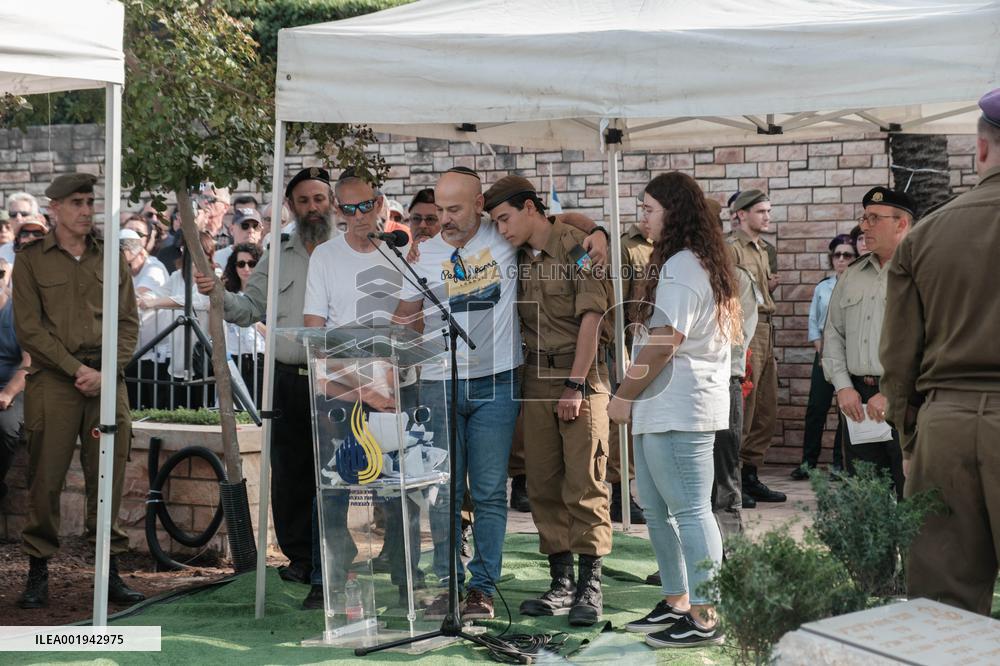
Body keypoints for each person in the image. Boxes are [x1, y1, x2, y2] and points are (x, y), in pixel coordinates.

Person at [393, 166, 608, 621]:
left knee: (491, 491)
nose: (444, 219)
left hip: (500, 382)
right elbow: (402, 318)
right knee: (444, 491)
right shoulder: (423, 255)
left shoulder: (502, 233)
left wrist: (602, 232)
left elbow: (562, 222)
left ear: (478, 206)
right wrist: (409, 302)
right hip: (439, 382)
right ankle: (449, 582)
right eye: (438, 210)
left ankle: (482, 589)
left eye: (454, 209)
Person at [881, 88, 1000, 615]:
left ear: (980, 148)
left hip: (945, 423)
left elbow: (898, 356)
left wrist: (910, 440)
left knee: (943, 608)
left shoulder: (924, 236)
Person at [610, 172, 737, 648]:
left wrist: (622, 394)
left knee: (689, 510)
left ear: (674, 213)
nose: (641, 217)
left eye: (648, 209)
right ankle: (677, 600)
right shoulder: (682, 261)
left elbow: (665, 341)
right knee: (658, 511)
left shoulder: (685, 264)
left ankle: (706, 615)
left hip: (681, 406)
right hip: (661, 406)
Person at [194, 166, 339, 584]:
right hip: (286, 379)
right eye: (304, 201)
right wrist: (217, 293)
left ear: (331, 203)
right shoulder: (278, 251)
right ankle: (300, 560)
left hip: (339, 380)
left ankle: (332, 558)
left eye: (320, 199)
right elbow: (250, 308)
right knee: (291, 473)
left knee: (334, 472)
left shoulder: (348, 248)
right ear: (291, 207)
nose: (313, 208)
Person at [484, 175, 613, 626]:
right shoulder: (514, 253)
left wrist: (575, 386)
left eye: (505, 218)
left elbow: (593, 316)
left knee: (585, 480)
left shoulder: (576, 247)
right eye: (495, 222)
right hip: (535, 376)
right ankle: (560, 582)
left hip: (579, 374)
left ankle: (589, 585)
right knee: (541, 481)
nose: (501, 229)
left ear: (531, 208)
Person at [12, 172, 143, 609]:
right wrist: (76, 370)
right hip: (54, 380)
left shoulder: (112, 258)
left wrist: (106, 372)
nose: (87, 210)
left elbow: (128, 323)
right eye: (77, 203)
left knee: (108, 476)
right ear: (55, 210)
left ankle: (110, 572)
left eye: (90, 202)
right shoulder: (32, 260)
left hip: (107, 380)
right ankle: (37, 571)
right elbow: (30, 329)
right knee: (45, 479)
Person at [823, 186, 913, 498]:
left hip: (906, 401)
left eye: (874, 218)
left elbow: (934, 343)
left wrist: (892, 393)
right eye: (864, 218)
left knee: (911, 501)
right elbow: (833, 332)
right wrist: (843, 386)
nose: (864, 226)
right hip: (857, 401)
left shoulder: (922, 271)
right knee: (866, 503)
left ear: (901, 223)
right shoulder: (853, 273)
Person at [726, 189, 785, 505]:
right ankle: (733, 479)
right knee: (744, 409)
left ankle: (750, 475)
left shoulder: (762, 249)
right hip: (746, 330)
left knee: (765, 408)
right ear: (741, 214)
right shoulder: (731, 249)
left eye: (768, 211)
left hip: (766, 328)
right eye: (761, 211)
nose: (767, 216)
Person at [790, 234, 855, 479]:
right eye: (837, 255)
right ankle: (808, 463)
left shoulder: (858, 285)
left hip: (851, 360)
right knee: (816, 409)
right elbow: (813, 323)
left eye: (847, 255)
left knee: (845, 412)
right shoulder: (823, 287)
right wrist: (821, 351)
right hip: (824, 357)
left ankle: (840, 464)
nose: (841, 259)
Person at [608, 202, 655, 525]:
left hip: (658, 344)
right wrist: (619, 351)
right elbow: (618, 303)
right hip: (629, 344)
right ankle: (620, 494)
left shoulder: (668, 248)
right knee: (622, 425)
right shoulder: (626, 247)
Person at [121, 227, 170, 409]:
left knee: (153, 403)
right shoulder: (125, 268)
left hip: (156, 352)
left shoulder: (154, 268)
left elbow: (137, 295)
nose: (125, 268)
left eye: (128, 263)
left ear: (141, 253)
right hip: (133, 350)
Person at [220, 243, 266, 406]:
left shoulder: (268, 295)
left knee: (260, 408)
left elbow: (273, 332)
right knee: (238, 409)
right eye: (241, 264)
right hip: (234, 359)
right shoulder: (228, 294)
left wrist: (252, 319)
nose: (246, 268)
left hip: (260, 359)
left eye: (252, 263)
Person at [0, 258, 28, 503]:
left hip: (15, 389)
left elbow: (30, 363)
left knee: (5, 425)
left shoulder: (18, 314)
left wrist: (7, 393)